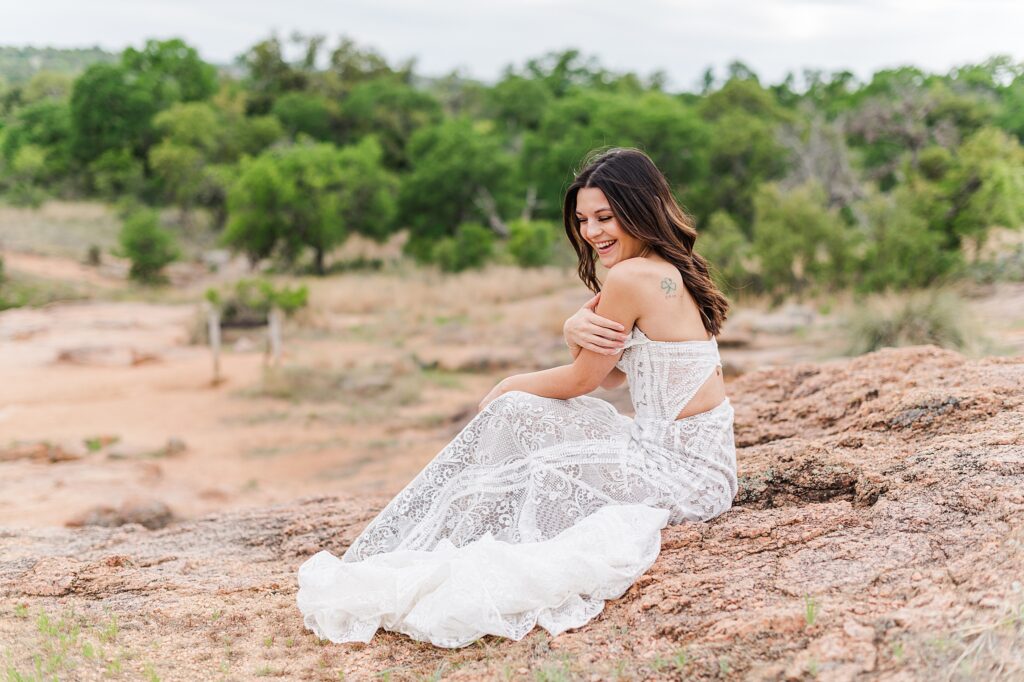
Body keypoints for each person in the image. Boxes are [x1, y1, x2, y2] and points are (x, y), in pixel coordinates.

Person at [296, 147, 737, 649]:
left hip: (678, 472)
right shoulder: (663, 269)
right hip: (703, 466)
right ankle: (463, 536)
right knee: (534, 420)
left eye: (605, 217)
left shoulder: (630, 278)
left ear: (641, 208)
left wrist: (509, 383)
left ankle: (457, 540)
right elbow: (614, 377)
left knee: (518, 408)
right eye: (583, 220)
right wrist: (575, 331)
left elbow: (582, 382)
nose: (592, 232)